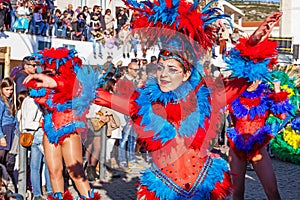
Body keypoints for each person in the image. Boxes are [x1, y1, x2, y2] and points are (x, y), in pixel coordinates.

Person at [22, 1, 282, 199]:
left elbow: (243, 79)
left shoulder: (208, 98)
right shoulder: (142, 104)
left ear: (187, 73)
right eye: (161, 67)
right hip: (162, 189)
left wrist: (256, 39)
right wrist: (57, 81)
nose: (164, 74)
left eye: (172, 69)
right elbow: (97, 96)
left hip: (204, 186)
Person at [23, 48, 101, 199]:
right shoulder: (45, 83)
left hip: (69, 129)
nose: (50, 68)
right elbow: (38, 94)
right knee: (54, 172)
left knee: (76, 173)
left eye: (55, 65)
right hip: (50, 129)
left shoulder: (74, 83)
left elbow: (74, 89)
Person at [227, 79, 290, 200]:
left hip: (257, 148)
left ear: (260, 77)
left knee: (272, 190)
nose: (251, 82)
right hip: (237, 147)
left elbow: (281, 115)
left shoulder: (266, 95)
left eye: (255, 78)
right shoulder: (234, 94)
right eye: (248, 77)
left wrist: (277, 90)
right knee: (237, 192)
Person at [20, 91, 52, 199]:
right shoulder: (33, 102)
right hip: (38, 133)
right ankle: (50, 191)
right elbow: (29, 122)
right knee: (49, 163)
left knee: (35, 166)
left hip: (32, 135)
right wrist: (40, 123)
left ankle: (37, 193)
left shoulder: (26, 100)